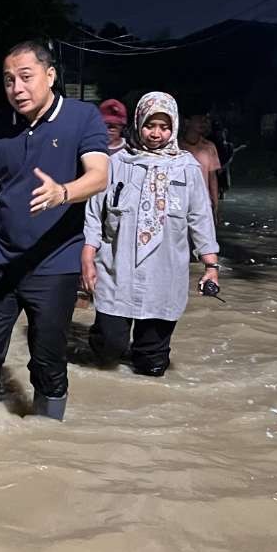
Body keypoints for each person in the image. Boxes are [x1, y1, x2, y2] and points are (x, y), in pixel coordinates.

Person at [0, 40, 109, 420]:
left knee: (48, 356)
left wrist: (63, 193)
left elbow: (100, 175)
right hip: (0, 259)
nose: (16, 88)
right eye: (8, 80)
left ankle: (45, 442)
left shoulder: (82, 117)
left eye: (26, 77)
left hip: (54, 262)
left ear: (50, 75)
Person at [81, 92, 220, 377]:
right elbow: (94, 213)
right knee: (108, 350)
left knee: (151, 365)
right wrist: (88, 254)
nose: (156, 133)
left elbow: (200, 217)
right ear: (138, 123)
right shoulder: (116, 163)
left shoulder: (188, 168)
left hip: (164, 275)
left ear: (174, 128)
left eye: (164, 127)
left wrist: (211, 265)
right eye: (150, 125)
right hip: (117, 269)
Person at [180, 109, 221, 219]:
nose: (203, 123)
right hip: (180, 201)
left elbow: (212, 178)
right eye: (199, 119)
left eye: (205, 120)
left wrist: (215, 204)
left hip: (203, 202)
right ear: (187, 122)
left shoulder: (209, 147)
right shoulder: (177, 147)